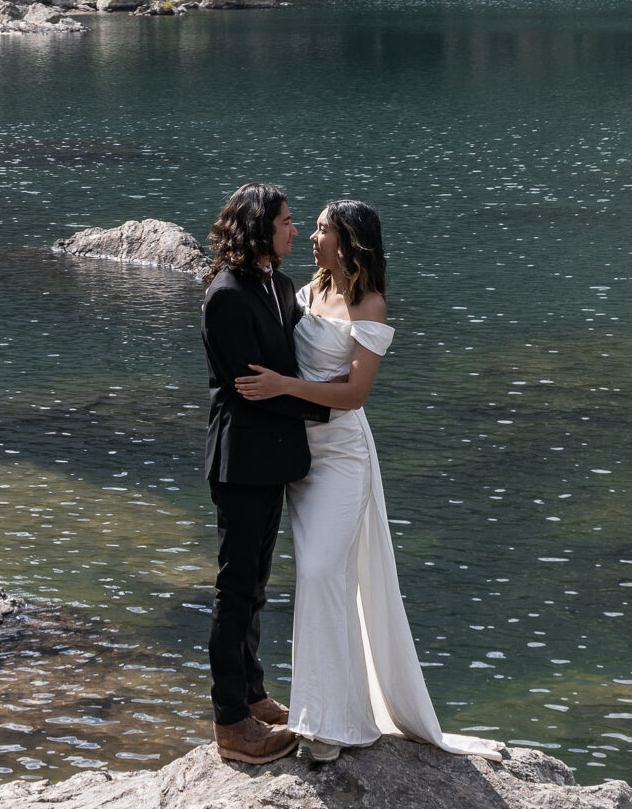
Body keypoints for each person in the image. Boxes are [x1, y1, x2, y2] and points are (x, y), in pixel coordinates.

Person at [235, 200, 505, 764]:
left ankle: (329, 726)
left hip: (342, 457)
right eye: (310, 228)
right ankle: (327, 714)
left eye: (322, 230)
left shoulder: (370, 305)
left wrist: (286, 386)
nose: (311, 237)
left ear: (349, 241)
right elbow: (296, 358)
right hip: (299, 457)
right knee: (318, 581)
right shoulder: (306, 291)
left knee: (321, 573)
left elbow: (354, 394)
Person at [200, 182, 331, 765]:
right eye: (285, 221)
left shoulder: (278, 285)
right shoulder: (225, 296)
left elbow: (284, 371)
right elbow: (252, 388)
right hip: (240, 461)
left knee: (256, 583)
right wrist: (330, 403)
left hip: (271, 458)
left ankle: (252, 692)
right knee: (235, 589)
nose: (294, 229)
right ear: (259, 228)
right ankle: (230, 720)